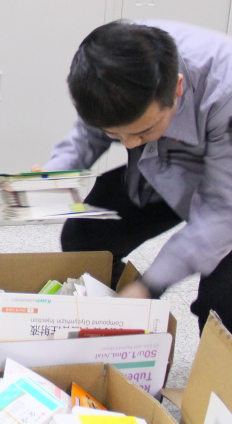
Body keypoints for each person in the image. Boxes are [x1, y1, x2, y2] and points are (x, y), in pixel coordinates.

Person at [40, 19, 232, 334]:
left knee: (221, 305)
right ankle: (112, 333)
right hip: (167, 164)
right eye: (116, 134)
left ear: (177, 88)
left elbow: (221, 212)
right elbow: (90, 131)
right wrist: (58, 172)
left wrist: (149, 285)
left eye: (143, 130)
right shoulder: (118, 62)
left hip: (226, 190)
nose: (129, 145)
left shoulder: (224, 90)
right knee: (87, 238)